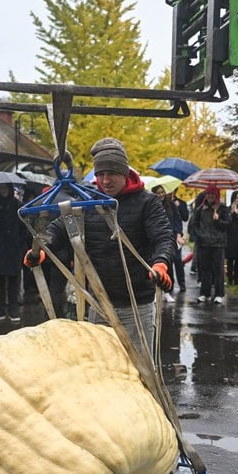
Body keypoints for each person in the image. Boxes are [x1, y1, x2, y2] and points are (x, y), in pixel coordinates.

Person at [24, 137, 174, 352]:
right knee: (102, 369)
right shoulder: (89, 201)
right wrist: (41, 250)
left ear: (124, 173)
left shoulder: (146, 202)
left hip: (137, 305)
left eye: (111, 173)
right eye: (100, 174)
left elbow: (163, 237)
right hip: (100, 303)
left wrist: (161, 263)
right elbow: (60, 228)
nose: (105, 180)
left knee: (141, 370)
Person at [0, 183, 29, 323]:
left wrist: (18, 242)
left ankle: (13, 307)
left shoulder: (18, 205)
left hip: (12, 247)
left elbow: (24, 227)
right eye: (0, 188)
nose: (3, 191)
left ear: (9, 189)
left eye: (5, 188)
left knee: (13, 279)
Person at [190, 188, 229, 302]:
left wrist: (218, 221)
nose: (211, 196)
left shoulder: (222, 209)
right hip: (204, 243)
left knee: (218, 270)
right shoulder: (200, 209)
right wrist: (200, 235)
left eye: (213, 194)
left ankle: (219, 294)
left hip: (218, 243)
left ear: (216, 196)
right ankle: (204, 293)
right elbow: (194, 224)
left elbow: (227, 225)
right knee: (204, 269)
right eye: (209, 194)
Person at [160, 187, 189, 293]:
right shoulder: (156, 205)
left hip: (175, 237)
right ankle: (169, 285)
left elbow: (181, 219)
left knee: (177, 259)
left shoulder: (175, 204)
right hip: (163, 237)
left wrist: (179, 234)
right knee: (168, 262)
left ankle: (182, 283)